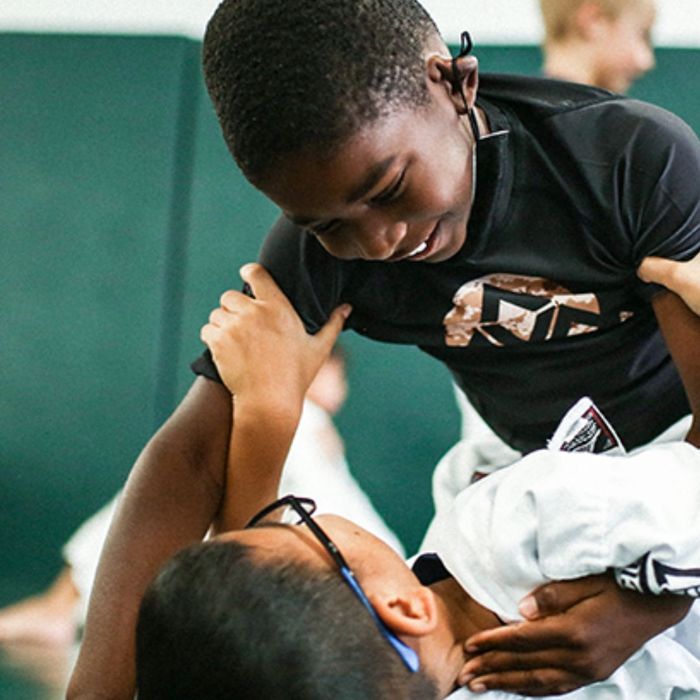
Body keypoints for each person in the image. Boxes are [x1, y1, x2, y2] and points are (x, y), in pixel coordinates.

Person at [68, 0, 700, 696]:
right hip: (537, 480)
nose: (377, 243)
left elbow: (685, 491)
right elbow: (188, 461)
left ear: (454, 82)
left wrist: (655, 600)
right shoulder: (318, 256)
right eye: (326, 224)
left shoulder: (624, 161)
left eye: (390, 189)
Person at [134, 265, 700, 699]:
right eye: (302, 525)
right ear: (404, 607)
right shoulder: (518, 521)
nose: (303, 514)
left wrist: (266, 410)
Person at [0, 351, 401, 647]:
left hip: (344, 585)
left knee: (164, 492)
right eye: (335, 374)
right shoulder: (296, 421)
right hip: (359, 585)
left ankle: (59, 605)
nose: (340, 387)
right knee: (167, 492)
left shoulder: (302, 426)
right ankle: (59, 605)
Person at [539, 0, 656, 92]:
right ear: (595, 21)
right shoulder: (614, 120)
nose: (646, 62)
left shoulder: (525, 114)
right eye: (642, 34)